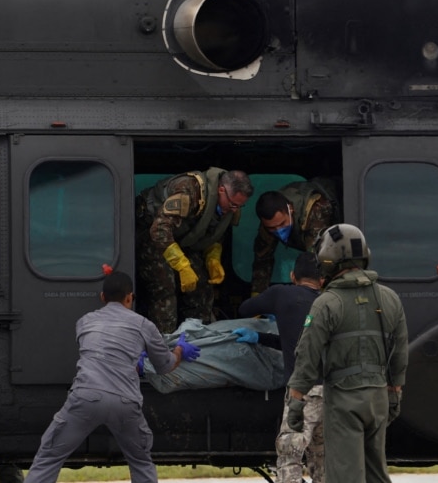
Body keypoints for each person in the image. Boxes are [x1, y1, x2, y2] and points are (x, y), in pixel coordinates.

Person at [23, 271, 201, 483]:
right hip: (125, 402)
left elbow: (101, 355)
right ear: (130, 297)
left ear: (102, 297)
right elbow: (166, 366)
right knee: (141, 462)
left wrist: (134, 360)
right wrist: (180, 350)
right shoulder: (144, 325)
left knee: (49, 457)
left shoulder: (84, 322)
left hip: (86, 398)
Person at [286, 224, 408, 483]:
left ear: (328, 260)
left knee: (345, 475)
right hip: (377, 399)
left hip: (344, 401)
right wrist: (395, 393)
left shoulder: (326, 303)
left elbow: (307, 355)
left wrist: (296, 400)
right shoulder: (390, 299)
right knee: (376, 473)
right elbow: (399, 354)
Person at [236, 252, 326, 483]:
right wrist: (261, 337)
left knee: (289, 457)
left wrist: (276, 308)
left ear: (292, 275)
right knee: (324, 460)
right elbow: (296, 342)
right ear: (323, 280)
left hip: (302, 394)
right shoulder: (331, 301)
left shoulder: (282, 294)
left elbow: (245, 308)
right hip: (335, 394)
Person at [135, 168, 254, 333]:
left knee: (201, 288)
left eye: (239, 206)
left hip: (183, 240)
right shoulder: (189, 190)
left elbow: (216, 232)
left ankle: (198, 339)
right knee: (164, 287)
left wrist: (213, 258)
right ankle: (164, 345)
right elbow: (160, 230)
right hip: (152, 235)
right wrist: (181, 265)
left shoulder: (227, 206)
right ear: (221, 190)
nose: (234, 209)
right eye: (233, 204)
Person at [251, 180, 339, 297]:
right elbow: (262, 260)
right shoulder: (268, 224)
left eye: (282, 224)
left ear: (290, 209)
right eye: (273, 228)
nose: (278, 230)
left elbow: (316, 258)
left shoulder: (316, 209)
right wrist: (258, 297)